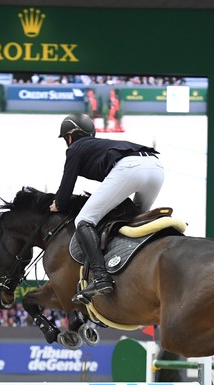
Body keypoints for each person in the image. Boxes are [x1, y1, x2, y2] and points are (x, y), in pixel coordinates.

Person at [50, 113, 164, 304]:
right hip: (156, 167)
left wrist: (57, 204)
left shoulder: (75, 148)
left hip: (130, 168)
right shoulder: (97, 145)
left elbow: (65, 190)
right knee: (134, 221)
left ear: (69, 137)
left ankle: (102, 277)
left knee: (84, 220)